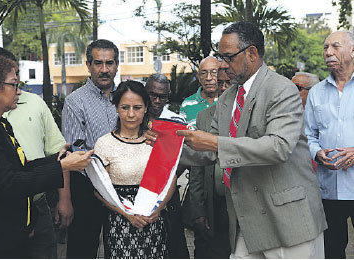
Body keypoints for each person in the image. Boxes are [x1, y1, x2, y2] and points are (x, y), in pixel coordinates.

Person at [146, 21, 327, 258]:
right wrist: (164, 144)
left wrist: (215, 143)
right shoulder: (229, 97)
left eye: (228, 57)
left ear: (251, 53)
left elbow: (278, 147)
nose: (222, 65)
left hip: (288, 222)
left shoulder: (281, 89)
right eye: (220, 57)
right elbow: (207, 152)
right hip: (246, 221)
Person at [0, 54, 92, 258]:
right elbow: (8, 183)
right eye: (13, 85)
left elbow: (18, 168)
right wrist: (62, 168)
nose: (19, 91)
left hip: (7, 234)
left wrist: (58, 160)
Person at [94, 80, 176, 258]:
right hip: (120, 223)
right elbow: (99, 190)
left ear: (146, 107)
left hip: (153, 221)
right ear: (116, 108)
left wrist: (159, 209)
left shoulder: (156, 141)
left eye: (137, 107)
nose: (131, 114)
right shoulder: (105, 144)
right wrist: (127, 214)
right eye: (125, 107)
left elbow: (171, 178)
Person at [62, 39, 119, 258]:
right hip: (87, 186)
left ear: (116, 65)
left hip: (122, 186)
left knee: (121, 248)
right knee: (83, 249)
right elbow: (75, 152)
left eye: (109, 63)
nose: (104, 69)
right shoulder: (75, 102)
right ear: (88, 65)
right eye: (98, 63)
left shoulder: (126, 97)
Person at [305, 31, 354, 259]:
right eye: (325, 48)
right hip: (328, 190)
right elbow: (308, 135)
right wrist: (317, 153)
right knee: (331, 251)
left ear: (353, 51)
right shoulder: (316, 93)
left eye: (335, 46)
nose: (328, 52)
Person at [145, 73, 189, 258]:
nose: (156, 100)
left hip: (168, 192)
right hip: (140, 190)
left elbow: (184, 158)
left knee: (174, 246)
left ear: (167, 97)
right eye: (152, 95)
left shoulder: (177, 121)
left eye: (161, 97)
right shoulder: (135, 117)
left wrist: (169, 177)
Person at [189, 70, 231, 259]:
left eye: (228, 83)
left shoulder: (248, 114)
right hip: (214, 204)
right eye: (220, 83)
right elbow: (197, 168)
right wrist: (198, 210)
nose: (223, 88)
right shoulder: (204, 117)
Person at [180, 56, 220, 129]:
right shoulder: (187, 104)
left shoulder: (229, 101)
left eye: (214, 72)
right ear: (198, 77)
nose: (208, 78)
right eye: (203, 73)